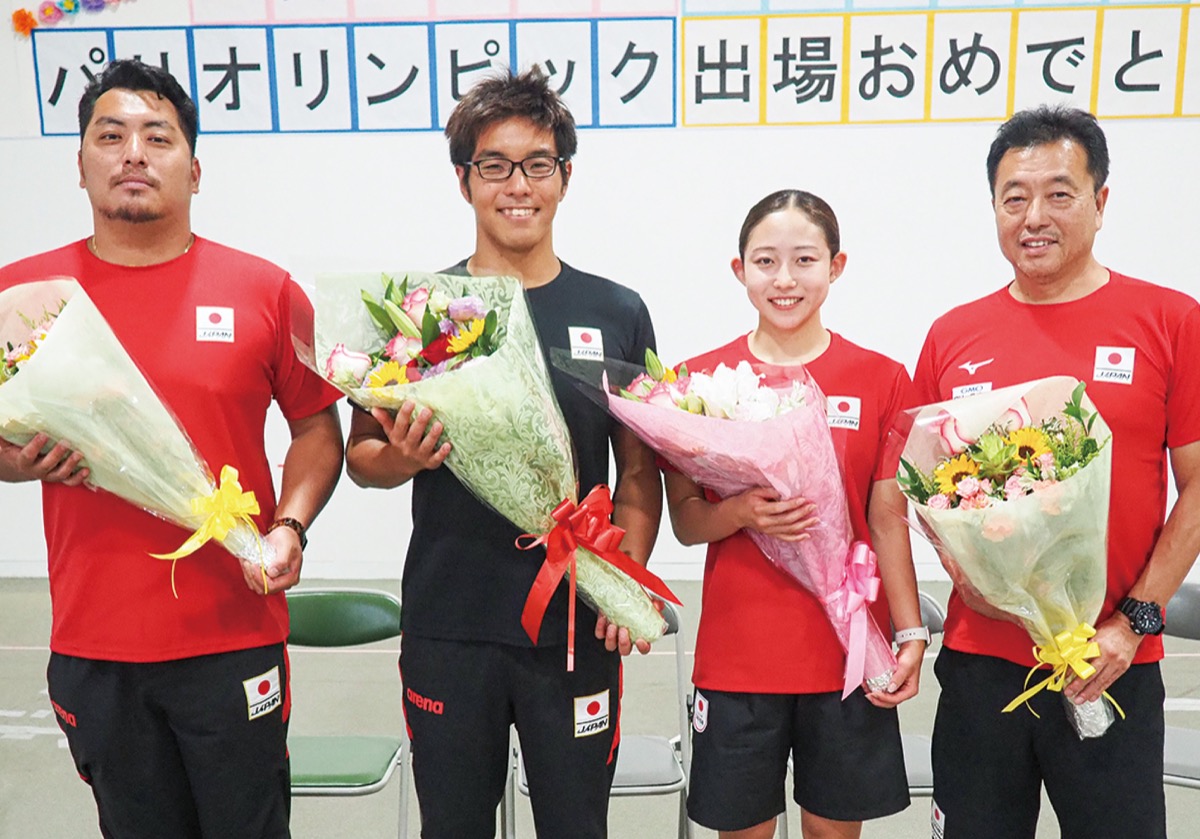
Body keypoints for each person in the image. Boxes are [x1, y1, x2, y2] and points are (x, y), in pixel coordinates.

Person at [0, 60, 344, 838]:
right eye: (110, 136)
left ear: (194, 168)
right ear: (79, 164)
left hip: (233, 632)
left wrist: (290, 525)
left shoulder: (263, 289)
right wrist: (15, 462)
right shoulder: (25, 298)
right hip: (96, 639)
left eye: (157, 137)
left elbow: (317, 428)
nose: (133, 153)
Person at [343, 69, 663, 838]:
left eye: (538, 164)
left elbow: (639, 472)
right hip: (450, 621)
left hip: (574, 625)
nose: (518, 185)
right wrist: (407, 456)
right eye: (495, 164)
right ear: (464, 179)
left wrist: (625, 578)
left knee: (577, 825)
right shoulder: (418, 311)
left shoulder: (615, 311)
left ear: (565, 177)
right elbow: (362, 456)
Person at [913, 105, 1200, 839]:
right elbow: (925, 484)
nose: (1034, 216)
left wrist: (1135, 621)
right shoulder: (952, 334)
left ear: (1100, 202)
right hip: (981, 665)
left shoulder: (1169, 320)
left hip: (1112, 659)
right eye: (1014, 197)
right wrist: (965, 562)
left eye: (1059, 194)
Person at [666, 190, 925, 839]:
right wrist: (741, 512)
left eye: (804, 259)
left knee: (832, 831)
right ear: (739, 270)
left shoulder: (882, 378)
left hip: (847, 649)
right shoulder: (698, 383)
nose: (784, 279)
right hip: (738, 651)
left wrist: (910, 632)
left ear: (836, 266)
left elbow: (887, 519)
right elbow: (688, 522)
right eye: (766, 261)